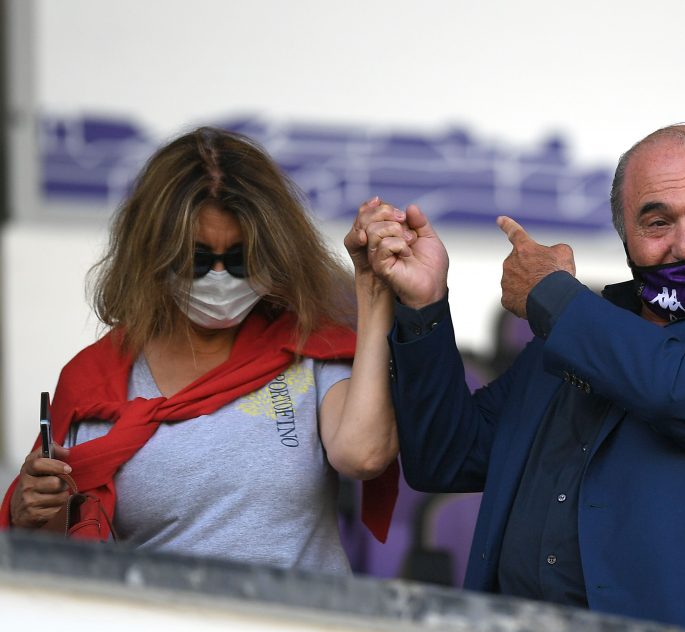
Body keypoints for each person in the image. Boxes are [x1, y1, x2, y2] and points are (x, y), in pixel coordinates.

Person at [349, 123, 685, 632]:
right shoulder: (582, 328)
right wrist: (424, 305)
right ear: (626, 241)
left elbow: (678, 387)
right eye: (657, 222)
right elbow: (447, 458)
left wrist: (552, 296)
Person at [1, 127, 399, 574]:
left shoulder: (310, 348)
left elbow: (363, 455)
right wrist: (27, 509)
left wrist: (372, 287)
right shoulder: (95, 382)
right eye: (195, 259)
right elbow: (61, 554)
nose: (218, 278)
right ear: (152, 254)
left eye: (239, 259)